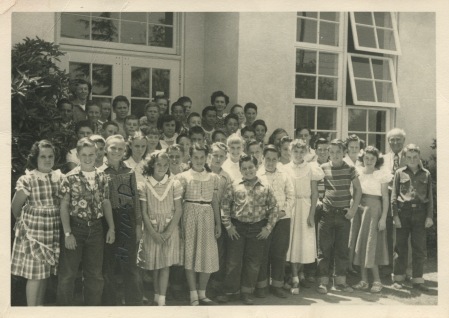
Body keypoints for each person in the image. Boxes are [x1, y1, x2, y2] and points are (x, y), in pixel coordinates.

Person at [57, 137, 115, 306]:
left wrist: (111, 228)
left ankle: (91, 311)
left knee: (95, 276)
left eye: (91, 154)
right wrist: (68, 233)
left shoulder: (102, 177)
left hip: (96, 229)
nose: (88, 158)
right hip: (76, 228)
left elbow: (105, 202)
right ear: (77, 155)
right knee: (68, 275)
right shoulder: (69, 177)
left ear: (97, 154)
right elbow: (64, 206)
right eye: (84, 154)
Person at [220, 154, 279, 305]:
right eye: (244, 168)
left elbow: (274, 208)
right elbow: (225, 206)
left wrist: (268, 228)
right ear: (240, 170)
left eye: (251, 167)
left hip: (257, 230)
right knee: (233, 261)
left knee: (253, 262)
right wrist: (229, 226)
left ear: (257, 167)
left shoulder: (265, 187)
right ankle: (230, 291)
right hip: (237, 228)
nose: (248, 171)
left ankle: (247, 292)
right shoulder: (234, 185)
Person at [11, 140, 64, 306]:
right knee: (35, 275)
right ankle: (31, 311)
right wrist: (24, 225)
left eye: (50, 156)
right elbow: (15, 206)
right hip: (34, 233)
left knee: (44, 274)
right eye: (43, 156)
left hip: (51, 231)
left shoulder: (58, 177)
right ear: (36, 158)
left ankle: (39, 309)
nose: (47, 160)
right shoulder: (28, 179)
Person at [101, 135, 143, 306]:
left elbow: (135, 199)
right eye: (113, 148)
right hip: (107, 219)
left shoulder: (129, 171)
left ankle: (134, 303)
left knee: (129, 265)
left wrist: (138, 224)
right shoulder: (100, 172)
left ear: (125, 151)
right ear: (105, 149)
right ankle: (110, 303)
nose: (116, 152)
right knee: (108, 264)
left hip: (127, 218)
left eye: (120, 149)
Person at [177, 144, 221, 306]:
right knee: (190, 253)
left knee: (207, 255)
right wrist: (179, 224)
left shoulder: (213, 177)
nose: (199, 160)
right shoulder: (183, 176)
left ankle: (203, 293)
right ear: (190, 158)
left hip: (207, 216)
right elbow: (179, 202)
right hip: (189, 214)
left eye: (202, 157)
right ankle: (193, 294)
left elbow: (215, 201)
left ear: (207, 157)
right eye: (196, 157)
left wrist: (218, 223)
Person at [137, 151, 183, 306]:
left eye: (165, 165)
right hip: (152, 229)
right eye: (158, 164)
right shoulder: (144, 185)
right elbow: (143, 212)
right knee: (154, 264)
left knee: (165, 265)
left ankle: (162, 300)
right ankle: (156, 295)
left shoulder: (174, 183)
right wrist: (153, 233)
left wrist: (168, 232)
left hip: (170, 229)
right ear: (151, 165)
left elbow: (178, 210)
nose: (162, 168)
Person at [316, 139, 362, 294]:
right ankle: (324, 281)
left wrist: (353, 210)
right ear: (328, 153)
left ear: (344, 153)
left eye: (338, 152)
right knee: (324, 248)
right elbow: (316, 188)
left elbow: (358, 190)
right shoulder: (323, 168)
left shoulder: (350, 168)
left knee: (342, 249)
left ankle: (340, 282)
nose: (335, 155)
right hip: (327, 214)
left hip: (343, 215)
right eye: (332, 152)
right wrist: (319, 202)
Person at [391, 144, 434, 292]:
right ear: (404, 158)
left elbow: (430, 198)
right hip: (403, 213)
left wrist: (429, 216)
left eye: (415, 157)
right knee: (400, 247)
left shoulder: (426, 174)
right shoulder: (399, 173)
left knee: (419, 248)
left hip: (420, 214)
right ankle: (398, 278)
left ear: (419, 156)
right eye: (409, 157)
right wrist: (395, 215)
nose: (412, 159)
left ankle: (417, 280)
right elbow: (394, 196)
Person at [254, 145, 294, 299]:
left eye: (274, 159)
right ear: (263, 159)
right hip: (263, 220)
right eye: (268, 159)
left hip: (282, 219)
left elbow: (291, 195)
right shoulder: (257, 175)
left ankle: (277, 285)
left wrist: (282, 212)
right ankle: (262, 286)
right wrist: (266, 215)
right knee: (263, 253)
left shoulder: (284, 175)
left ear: (278, 160)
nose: (271, 162)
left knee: (279, 253)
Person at [284, 139, 324, 294]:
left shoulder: (311, 168)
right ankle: (294, 276)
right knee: (293, 242)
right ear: (290, 152)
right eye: (295, 151)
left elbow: (315, 194)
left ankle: (300, 273)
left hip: (306, 207)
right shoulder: (286, 168)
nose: (299, 154)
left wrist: (312, 214)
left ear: (306, 153)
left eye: (302, 152)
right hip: (292, 207)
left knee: (303, 243)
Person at [350, 146, 391, 293]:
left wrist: (383, 218)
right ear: (362, 158)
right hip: (360, 209)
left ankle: (377, 281)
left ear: (377, 160)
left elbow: (386, 197)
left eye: (372, 159)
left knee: (371, 244)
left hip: (374, 210)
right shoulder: (358, 173)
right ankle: (363, 280)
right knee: (360, 244)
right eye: (366, 158)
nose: (369, 161)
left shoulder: (381, 174)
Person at [207, 142, 233, 302]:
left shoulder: (226, 176)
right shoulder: (202, 171)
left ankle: (215, 286)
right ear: (209, 155)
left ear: (225, 158)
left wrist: (222, 221)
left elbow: (227, 200)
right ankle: (198, 286)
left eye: (221, 156)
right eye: (215, 155)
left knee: (219, 253)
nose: (217, 158)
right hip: (201, 216)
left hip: (219, 219)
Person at [381, 128, 408, 278]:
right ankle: (387, 267)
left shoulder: (410, 158)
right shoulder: (383, 159)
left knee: (403, 236)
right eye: (392, 139)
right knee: (387, 234)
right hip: (387, 200)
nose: (395, 142)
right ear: (388, 141)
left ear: (403, 141)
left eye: (398, 139)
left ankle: (403, 269)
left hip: (404, 202)